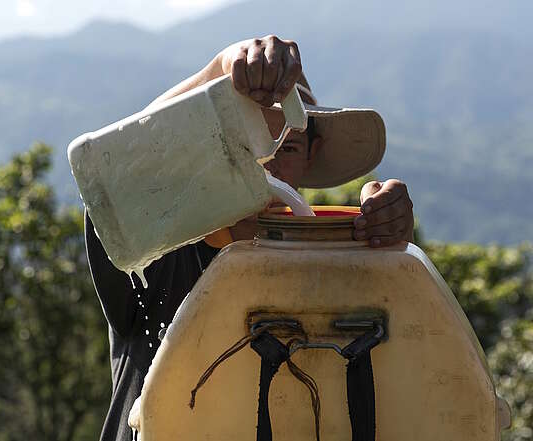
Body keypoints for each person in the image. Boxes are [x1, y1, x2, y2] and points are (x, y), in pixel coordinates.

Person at [85, 35, 414, 441]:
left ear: (312, 156)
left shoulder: (325, 265)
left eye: (287, 146)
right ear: (216, 150)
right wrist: (221, 68)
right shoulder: (161, 255)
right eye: (246, 142)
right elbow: (116, 173)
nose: (266, 166)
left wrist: (388, 243)